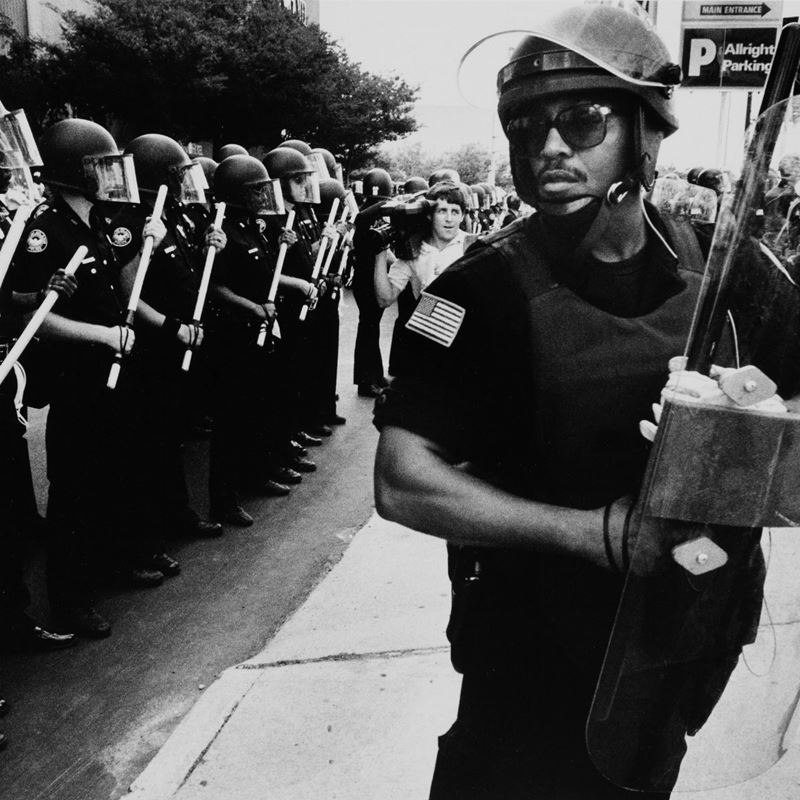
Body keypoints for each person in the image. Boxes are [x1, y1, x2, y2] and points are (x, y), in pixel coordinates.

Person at [373, 5, 773, 798]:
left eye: (583, 120)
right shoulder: (479, 292)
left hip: (679, 631)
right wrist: (596, 533)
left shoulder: (726, 267)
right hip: (530, 652)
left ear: (645, 130)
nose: (549, 146)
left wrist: (743, 399)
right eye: (527, 126)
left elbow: (783, 384)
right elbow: (402, 480)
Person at [6, 119, 158, 636]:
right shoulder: (45, 229)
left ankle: (109, 565)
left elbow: (120, 289)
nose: (109, 176)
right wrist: (103, 336)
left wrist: (143, 247)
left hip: (109, 369)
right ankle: (69, 600)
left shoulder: (96, 222)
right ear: (77, 172)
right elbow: (34, 317)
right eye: (100, 166)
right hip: (77, 375)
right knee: (74, 489)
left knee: (111, 475)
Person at [351, 167, 393, 397]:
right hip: (365, 280)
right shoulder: (365, 216)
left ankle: (375, 373)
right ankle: (366, 380)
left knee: (371, 328)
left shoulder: (373, 216)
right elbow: (361, 219)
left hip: (373, 278)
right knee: (368, 328)